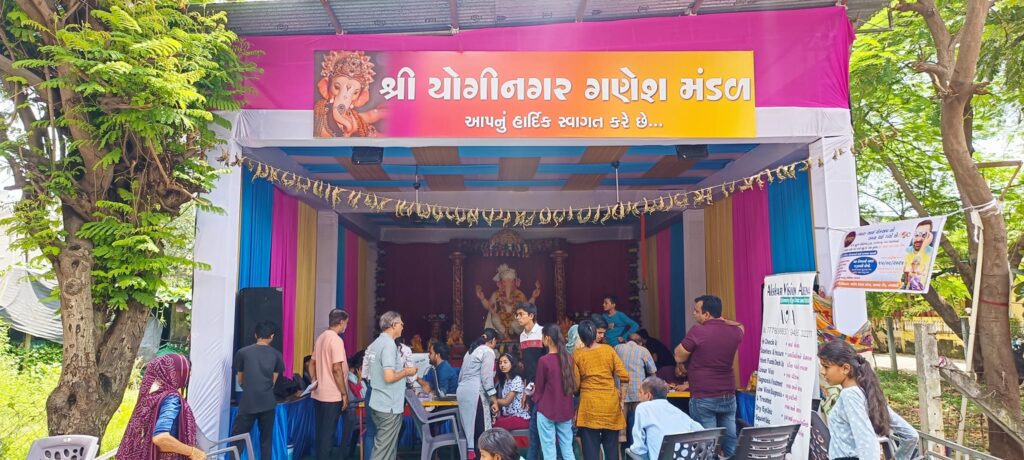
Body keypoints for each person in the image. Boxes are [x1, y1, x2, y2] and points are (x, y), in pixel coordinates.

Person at [674, 295, 744, 457]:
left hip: (703, 396)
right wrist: (721, 320)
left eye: (697, 311)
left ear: (706, 314)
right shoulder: (735, 331)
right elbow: (741, 325)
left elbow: (678, 356)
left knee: (707, 446)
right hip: (728, 395)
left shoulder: (698, 330)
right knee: (730, 441)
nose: (694, 314)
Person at [118, 354, 205, 460]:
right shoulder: (171, 399)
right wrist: (192, 452)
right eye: (188, 370)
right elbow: (160, 437)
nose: (190, 375)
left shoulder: (153, 397)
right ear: (176, 373)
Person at [818, 339, 891, 460]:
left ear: (845, 369)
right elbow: (911, 434)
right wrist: (901, 455)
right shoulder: (866, 392)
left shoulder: (849, 395)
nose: (822, 372)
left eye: (826, 367)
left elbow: (867, 441)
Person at [366, 311, 418, 460]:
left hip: (379, 400)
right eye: (401, 323)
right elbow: (389, 377)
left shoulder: (376, 344)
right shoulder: (388, 345)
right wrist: (407, 371)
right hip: (388, 404)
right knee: (383, 451)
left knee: (388, 450)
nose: (403, 325)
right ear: (393, 325)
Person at [574, 319, 629, 460]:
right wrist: (622, 400)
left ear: (581, 337)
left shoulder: (577, 354)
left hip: (589, 407)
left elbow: (576, 384)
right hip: (610, 405)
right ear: (595, 334)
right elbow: (624, 376)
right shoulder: (608, 350)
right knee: (611, 450)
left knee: (590, 451)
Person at [231, 321, 284, 460]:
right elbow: (273, 382)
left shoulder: (242, 352)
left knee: (237, 440)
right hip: (267, 402)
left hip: (248, 402)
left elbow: (240, 380)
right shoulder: (277, 355)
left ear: (255, 335)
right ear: (272, 336)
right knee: (266, 440)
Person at [628, 377, 704, 460]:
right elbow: (701, 431)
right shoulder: (676, 411)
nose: (638, 395)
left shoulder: (643, 407)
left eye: (640, 392)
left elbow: (638, 447)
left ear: (649, 395)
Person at [310, 309, 351, 460]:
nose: (346, 326)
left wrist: (314, 379)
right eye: (346, 323)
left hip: (319, 394)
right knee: (328, 435)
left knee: (321, 433)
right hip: (332, 396)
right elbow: (337, 369)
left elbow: (311, 363)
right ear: (340, 322)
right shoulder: (336, 340)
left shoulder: (321, 338)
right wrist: (344, 393)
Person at [534, 324, 576, 460]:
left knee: (549, 452)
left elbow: (539, 388)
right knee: (568, 450)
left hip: (546, 409)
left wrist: (535, 399)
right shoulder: (569, 358)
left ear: (547, 338)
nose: (541, 340)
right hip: (565, 410)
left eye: (542, 337)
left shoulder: (543, 361)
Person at [458, 328, 500, 459]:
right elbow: (487, 379)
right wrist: (494, 400)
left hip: (463, 391)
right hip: (476, 393)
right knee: (481, 433)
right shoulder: (488, 351)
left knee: (469, 431)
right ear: (493, 340)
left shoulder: (470, 351)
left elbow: (461, 376)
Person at [616, 333, 657, 447]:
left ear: (626, 340)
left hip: (621, 393)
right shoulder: (643, 350)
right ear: (640, 343)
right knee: (638, 425)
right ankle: (636, 450)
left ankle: (619, 454)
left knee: (619, 428)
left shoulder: (617, 348)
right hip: (639, 393)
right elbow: (653, 372)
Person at [516, 302, 545, 460]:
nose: (517, 317)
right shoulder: (522, 336)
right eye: (517, 314)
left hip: (543, 387)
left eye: (521, 314)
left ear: (531, 316)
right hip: (531, 387)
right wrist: (525, 391)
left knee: (539, 427)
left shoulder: (542, 333)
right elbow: (528, 366)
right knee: (534, 429)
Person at [492, 353, 531, 431]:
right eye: (500, 363)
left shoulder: (517, 379)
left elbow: (506, 401)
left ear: (512, 364)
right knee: (493, 421)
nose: (502, 365)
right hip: (509, 416)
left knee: (495, 424)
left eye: (505, 362)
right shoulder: (506, 381)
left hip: (519, 417)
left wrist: (492, 400)